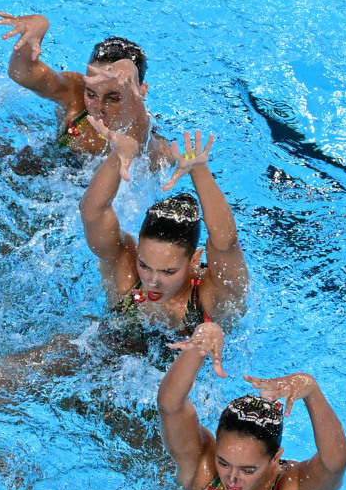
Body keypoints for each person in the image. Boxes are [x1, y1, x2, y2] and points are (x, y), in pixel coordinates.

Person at [157, 324, 346, 490]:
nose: (232, 479)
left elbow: (335, 465)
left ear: (276, 458)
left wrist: (311, 389)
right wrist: (203, 338)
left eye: (248, 470)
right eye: (223, 462)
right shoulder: (203, 470)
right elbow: (170, 407)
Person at [80, 125, 249, 338]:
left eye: (168, 272)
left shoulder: (211, 298)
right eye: (144, 265)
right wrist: (119, 155)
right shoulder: (127, 273)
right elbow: (92, 212)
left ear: (195, 260)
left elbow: (226, 242)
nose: (152, 281)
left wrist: (199, 170)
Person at [0, 14, 169, 166]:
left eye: (114, 98)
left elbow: (142, 143)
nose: (98, 107)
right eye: (91, 94)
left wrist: (130, 73)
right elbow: (22, 73)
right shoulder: (75, 92)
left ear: (141, 92)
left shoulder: (157, 147)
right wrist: (37, 28)